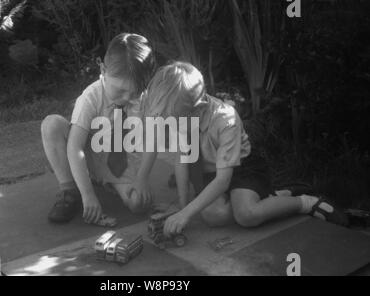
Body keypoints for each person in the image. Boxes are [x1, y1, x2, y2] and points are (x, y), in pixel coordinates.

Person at [141, 61, 349, 236]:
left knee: (247, 215)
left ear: (199, 109)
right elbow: (182, 160)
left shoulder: (225, 119)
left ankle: (304, 201)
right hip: (211, 171)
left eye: (175, 120)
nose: (171, 125)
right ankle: (264, 197)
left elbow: (223, 181)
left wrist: (185, 213)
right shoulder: (181, 118)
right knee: (213, 216)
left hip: (244, 168)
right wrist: (182, 205)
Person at [41, 33, 157, 224]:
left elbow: (153, 140)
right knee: (51, 124)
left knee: (139, 204)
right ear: (103, 69)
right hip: (90, 158)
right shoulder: (91, 97)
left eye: (135, 91)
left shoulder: (146, 99)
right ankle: (71, 191)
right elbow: (75, 147)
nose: (127, 97)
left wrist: (142, 178)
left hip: (122, 163)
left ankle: (107, 181)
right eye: (120, 90)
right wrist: (88, 195)